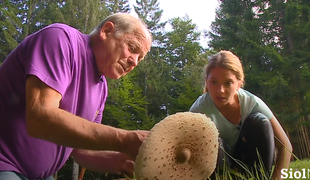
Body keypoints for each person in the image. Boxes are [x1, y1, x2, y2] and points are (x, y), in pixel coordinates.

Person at [0, 13, 152, 180]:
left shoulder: (101, 89)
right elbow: (40, 117)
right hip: (5, 164)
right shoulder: (60, 39)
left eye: (140, 58)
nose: (135, 62)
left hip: (40, 176)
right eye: (132, 48)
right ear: (107, 31)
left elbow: (80, 150)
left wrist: (123, 162)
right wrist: (124, 139)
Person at [189, 50, 292, 180]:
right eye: (214, 82)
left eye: (228, 83)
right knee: (211, 141)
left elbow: (285, 147)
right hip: (219, 169)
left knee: (260, 121)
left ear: (239, 83)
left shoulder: (252, 103)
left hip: (249, 165)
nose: (220, 90)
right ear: (206, 81)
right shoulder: (198, 110)